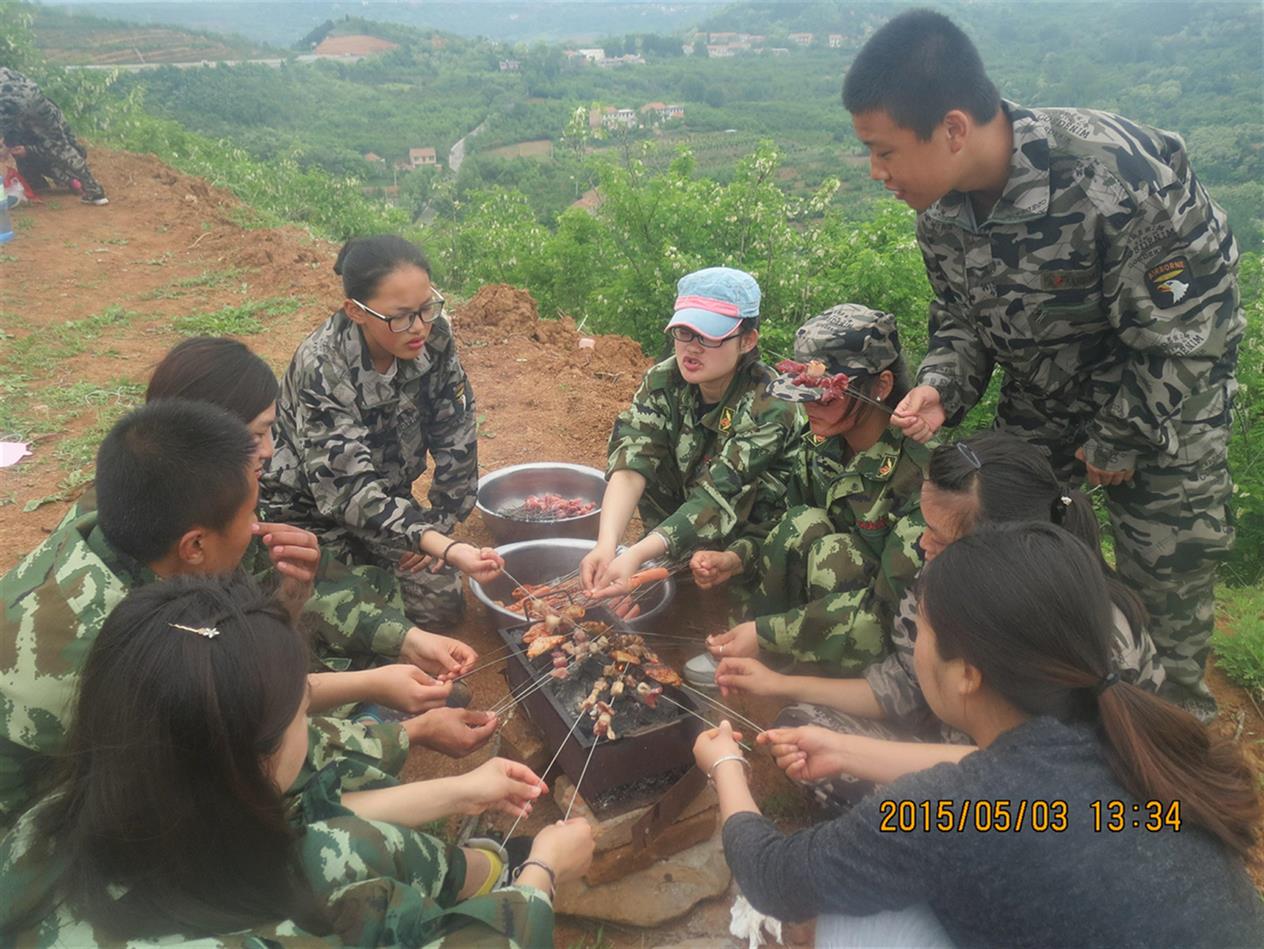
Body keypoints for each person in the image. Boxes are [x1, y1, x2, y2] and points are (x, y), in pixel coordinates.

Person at [841, 10, 1243, 721]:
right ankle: (1034, 734)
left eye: (884, 151)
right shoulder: (939, 211)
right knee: (1000, 558)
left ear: (954, 129)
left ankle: (1177, 779)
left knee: (1165, 598)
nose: (876, 173)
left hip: (1163, 412)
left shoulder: (1119, 178)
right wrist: (940, 385)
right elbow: (962, 319)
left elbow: (1196, 329)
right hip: (1046, 405)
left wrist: (1120, 437)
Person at [695, 524, 1262, 948]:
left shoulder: (947, 812)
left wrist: (725, 765)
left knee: (862, 922)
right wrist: (845, 749)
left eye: (923, 631)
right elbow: (1045, 811)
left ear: (967, 672)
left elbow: (773, 878)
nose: (912, 646)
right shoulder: (1142, 747)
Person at [0, 574, 595, 945]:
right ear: (251, 760)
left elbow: (294, 828)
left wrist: (462, 791)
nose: (312, 719)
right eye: (301, 709)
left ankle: (479, 869)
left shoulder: (57, 820)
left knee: (346, 847)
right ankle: (503, 874)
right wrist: (540, 880)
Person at [0, 401, 493, 832]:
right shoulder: (125, 650)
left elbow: (244, 687)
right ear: (194, 545)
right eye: (253, 513)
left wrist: (388, 659)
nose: (259, 527)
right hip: (45, 844)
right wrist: (409, 736)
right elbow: (256, 766)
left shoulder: (130, 518)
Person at [716, 431, 1166, 810]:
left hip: (1045, 805)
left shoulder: (1089, 631)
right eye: (923, 523)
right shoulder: (938, 578)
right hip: (962, 752)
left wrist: (856, 756)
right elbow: (901, 687)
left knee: (874, 789)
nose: (922, 544)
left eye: (941, 535)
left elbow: (1049, 780)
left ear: (1004, 542)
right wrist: (777, 683)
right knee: (802, 729)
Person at [145, 336, 477, 678]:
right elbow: (238, 701)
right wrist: (385, 716)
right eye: (257, 436)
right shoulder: (137, 614)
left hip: (368, 521)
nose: (270, 451)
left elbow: (278, 585)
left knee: (391, 600)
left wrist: (409, 639)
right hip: (327, 516)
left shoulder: (211, 498)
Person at [263, 235, 498, 628]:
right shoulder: (322, 366)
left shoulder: (434, 337)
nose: (419, 326)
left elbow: (456, 429)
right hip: (310, 516)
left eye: (427, 308)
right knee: (353, 622)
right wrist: (439, 544)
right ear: (356, 311)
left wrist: (438, 524)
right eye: (401, 316)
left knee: (440, 607)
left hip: (388, 502)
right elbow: (347, 492)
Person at [699, 305, 927, 678]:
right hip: (815, 621)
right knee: (801, 523)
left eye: (824, 395)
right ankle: (769, 661)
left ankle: (809, 677)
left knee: (833, 555)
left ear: (881, 386)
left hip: (890, 649)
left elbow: (891, 611)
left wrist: (768, 635)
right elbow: (783, 527)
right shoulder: (821, 446)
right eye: (802, 391)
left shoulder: (918, 477)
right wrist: (738, 558)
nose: (808, 405)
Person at [580, 266, 802, 605]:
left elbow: (718, 494)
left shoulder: (771, 404)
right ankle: (669, 559)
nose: (691, 349)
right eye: (683, 332)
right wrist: (607, 544)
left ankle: (697, 570)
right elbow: (633, 460)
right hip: (682, 524)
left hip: (752, 538)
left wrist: (636, 555)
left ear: (748, 340)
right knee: (648, 458)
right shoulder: (664, 380)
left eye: (709, 337)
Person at [0, 67, 108, 204]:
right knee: (60, 147)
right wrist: (8, 145)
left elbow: (11, 119)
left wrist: (9, 148)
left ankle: (66, 179)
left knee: (25, 150)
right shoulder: (8, 73)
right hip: (35, 99)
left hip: (8, 104)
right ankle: (95, 190)